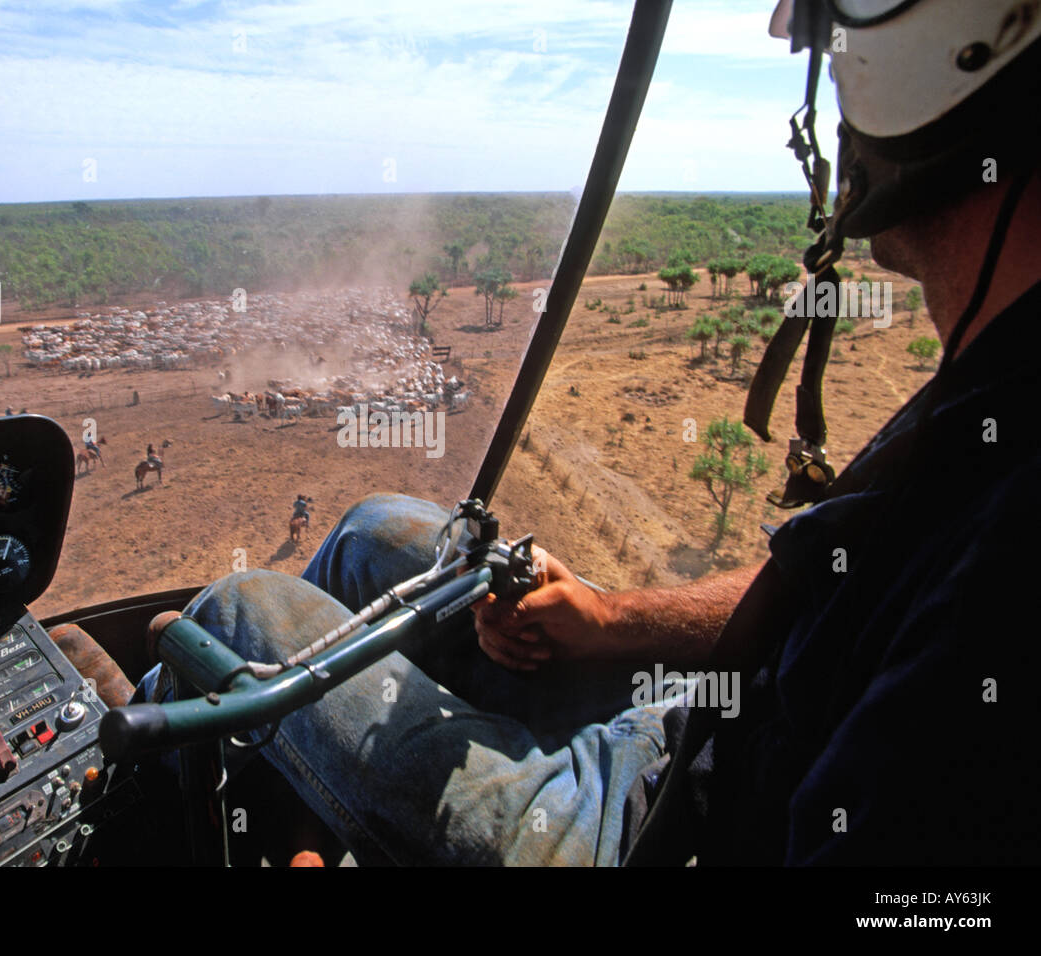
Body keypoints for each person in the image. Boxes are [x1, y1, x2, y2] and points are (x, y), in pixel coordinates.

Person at [134, 1, 1041, 865]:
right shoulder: (985, 389)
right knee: (375, 531)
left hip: (656, 827)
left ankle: (112, 802)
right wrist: (609, 623)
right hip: (690, 715)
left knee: (238, 610)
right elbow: (807, 587)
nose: (810, 61)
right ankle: (303, 794)